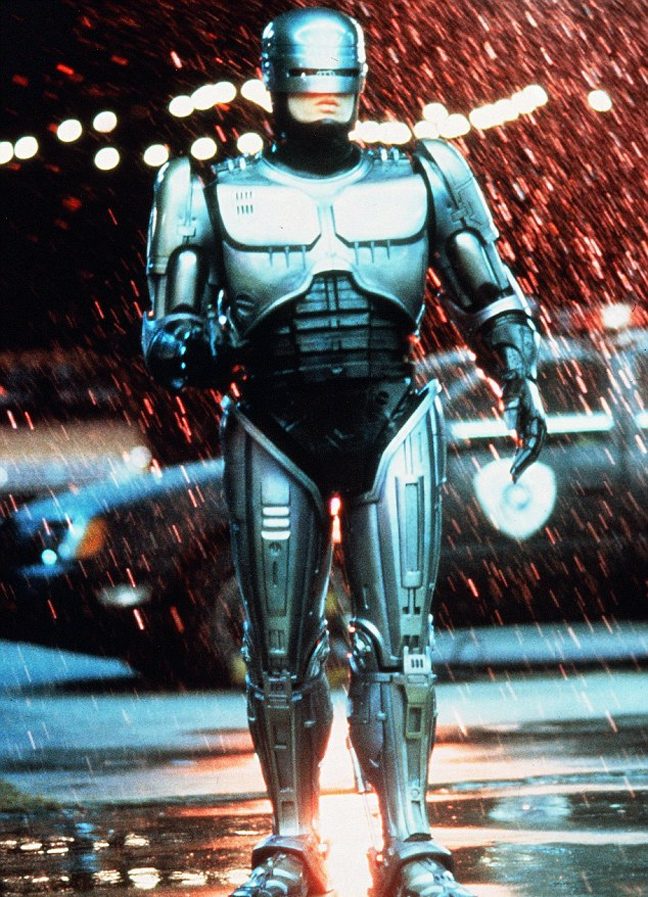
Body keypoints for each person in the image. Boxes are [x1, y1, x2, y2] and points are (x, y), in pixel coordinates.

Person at [142, 8, 546, 896]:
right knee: (278, 650)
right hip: (273, 421)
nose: (322, 100)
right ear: (274, 86)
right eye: (306, 85)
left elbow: (488, 292)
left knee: (402, 647)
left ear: (358, 84)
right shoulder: (209, 189)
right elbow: (166, 334)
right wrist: (196, 346)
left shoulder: (424, 175)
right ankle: (293, 837)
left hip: (389, 416)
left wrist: (517, 366)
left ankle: (410, 835)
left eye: (335, 85)